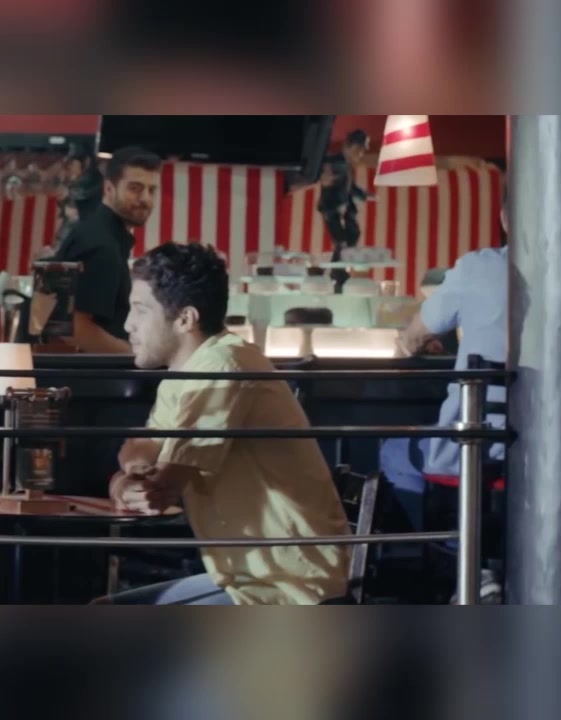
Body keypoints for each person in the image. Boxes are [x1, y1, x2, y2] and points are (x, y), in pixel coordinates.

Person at [102, 243, 351, 604]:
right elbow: (142, 450)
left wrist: (129, 479)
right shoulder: (186, 374)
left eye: (140, 310)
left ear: (185, 319)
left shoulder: (223, 365)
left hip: (291, 587)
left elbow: (159, 488)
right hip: (245, 578)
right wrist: (125, 479)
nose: (128, 325)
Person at [380, 191, 508, 539]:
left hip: (474, 447)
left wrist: (407, 346)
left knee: (393, 451)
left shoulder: (477, 267)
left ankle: (453, 551)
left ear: (504, 218)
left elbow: (414, 337)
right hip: (560, 451)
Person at [50, 146, 161, 353]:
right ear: (109, 188)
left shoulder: (99, 233)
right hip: (89, 372)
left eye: (151, 190)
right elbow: (72, 328)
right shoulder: (101, 245)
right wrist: (136, 357)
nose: (145, 199)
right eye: (135, 188)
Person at [317, 129, 375, 292]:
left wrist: (365, 195)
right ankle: (337, 273)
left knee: (352, 235)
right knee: (341, 241)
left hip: (341, 207)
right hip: (331, 208)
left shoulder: (345, 165)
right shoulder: (335, 161)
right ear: (347, 146)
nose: (360, 155)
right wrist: (323, 175)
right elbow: (323, 170)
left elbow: (351, 187)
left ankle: (338, 271)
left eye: (362, 152)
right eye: (357, 150)